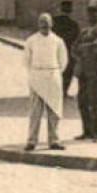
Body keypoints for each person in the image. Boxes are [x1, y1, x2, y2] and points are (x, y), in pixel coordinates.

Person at [21, 12, 68, 151]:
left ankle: (54, 140)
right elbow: (26, 61)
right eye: (42, 23)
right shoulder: (31, 40)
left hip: (53, 77)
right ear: (38, 25)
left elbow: (63, 61)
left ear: (51, 24)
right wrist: (35, 74)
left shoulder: (58, 41)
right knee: (35, 112)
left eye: (47, 24)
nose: (44, 26)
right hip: (37, 78)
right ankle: (31, 141)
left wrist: (55, 73)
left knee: (54, 111)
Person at [72, 2, 97, 143]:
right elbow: (74, 48)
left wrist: (82, 49)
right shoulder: (84, 31)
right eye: (89, 13)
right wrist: (82, 50)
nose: (91, 16)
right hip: (83, 72)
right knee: (83, 102)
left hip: (96, 72)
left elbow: (95, 48)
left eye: (95, 13)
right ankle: (88, 131)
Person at [52, 0, 81, 98]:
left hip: (54, 51)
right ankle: (64, 91)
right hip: (68, 51)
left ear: (60, 9)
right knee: (68, 71)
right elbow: (77, 40)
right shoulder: (74, 24)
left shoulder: (53, 21)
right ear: (71, 11)